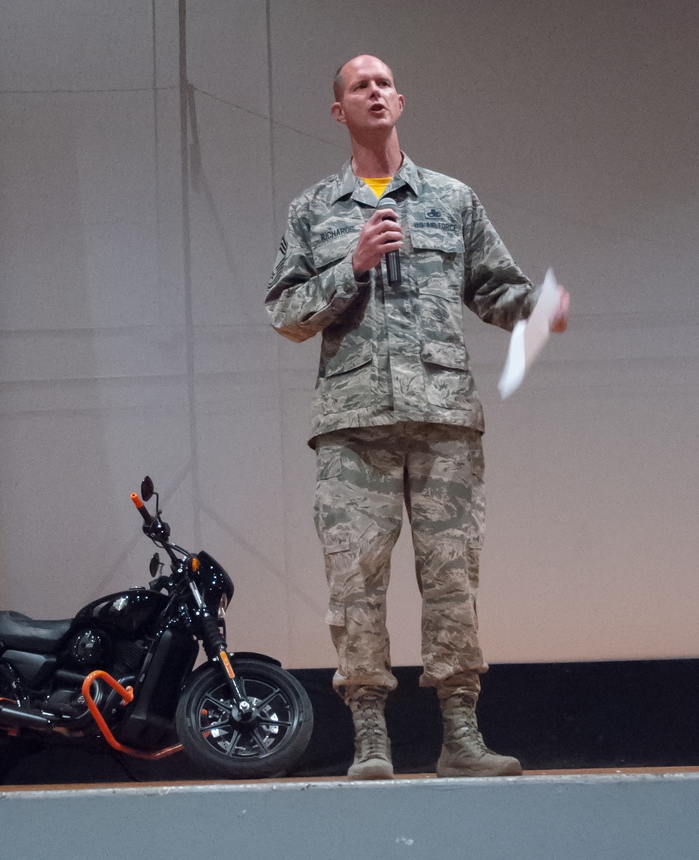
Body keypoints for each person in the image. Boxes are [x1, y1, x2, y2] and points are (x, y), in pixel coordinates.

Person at [265, 55, 569, 780]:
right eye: (357, 86)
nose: (373, 92)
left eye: (382, 83)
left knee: (452, 579)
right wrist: (353, 265)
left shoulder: (451, 199)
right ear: (339, 110)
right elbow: (286, 313)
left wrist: (539, 311)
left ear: (399, 100)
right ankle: (371, 735)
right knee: (354, 582)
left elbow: (497, 289)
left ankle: (460, 734)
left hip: (442, 418)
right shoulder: (315, 209)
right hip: (352, 424)